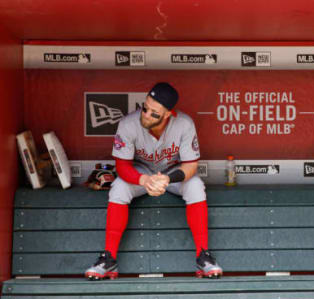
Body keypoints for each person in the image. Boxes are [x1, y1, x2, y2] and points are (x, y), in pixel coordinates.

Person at [85, 82, 223, 280]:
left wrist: (167, 178)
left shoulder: (184, 124)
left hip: (171, 173)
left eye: (154, 113)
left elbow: (191, 166)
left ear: (168, 114)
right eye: (145, 108)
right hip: (141, 171)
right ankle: (109, 258)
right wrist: (144, 180)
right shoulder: (128, 124)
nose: (146, 115)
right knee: (118, 189)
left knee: (195, 186)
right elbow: (122, 166)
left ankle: (203, 256)